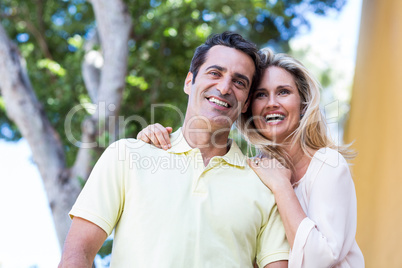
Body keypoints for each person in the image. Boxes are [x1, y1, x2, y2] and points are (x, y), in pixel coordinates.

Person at [58, 32, 289, 268]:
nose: (224, 87)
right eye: (215, 73)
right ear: (189, 82)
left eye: (239, 82)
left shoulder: (265, 186)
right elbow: (77, 255)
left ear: (247, 102)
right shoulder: (127, 156)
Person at [138, 48, 365, 267]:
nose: (272, 103)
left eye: (283, 92)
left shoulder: (327, 165)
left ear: (303, 103)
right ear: (249, 108)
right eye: (260, 95)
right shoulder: (254, 173)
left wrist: (281, 186)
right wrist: (155, 142)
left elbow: (319, 260)